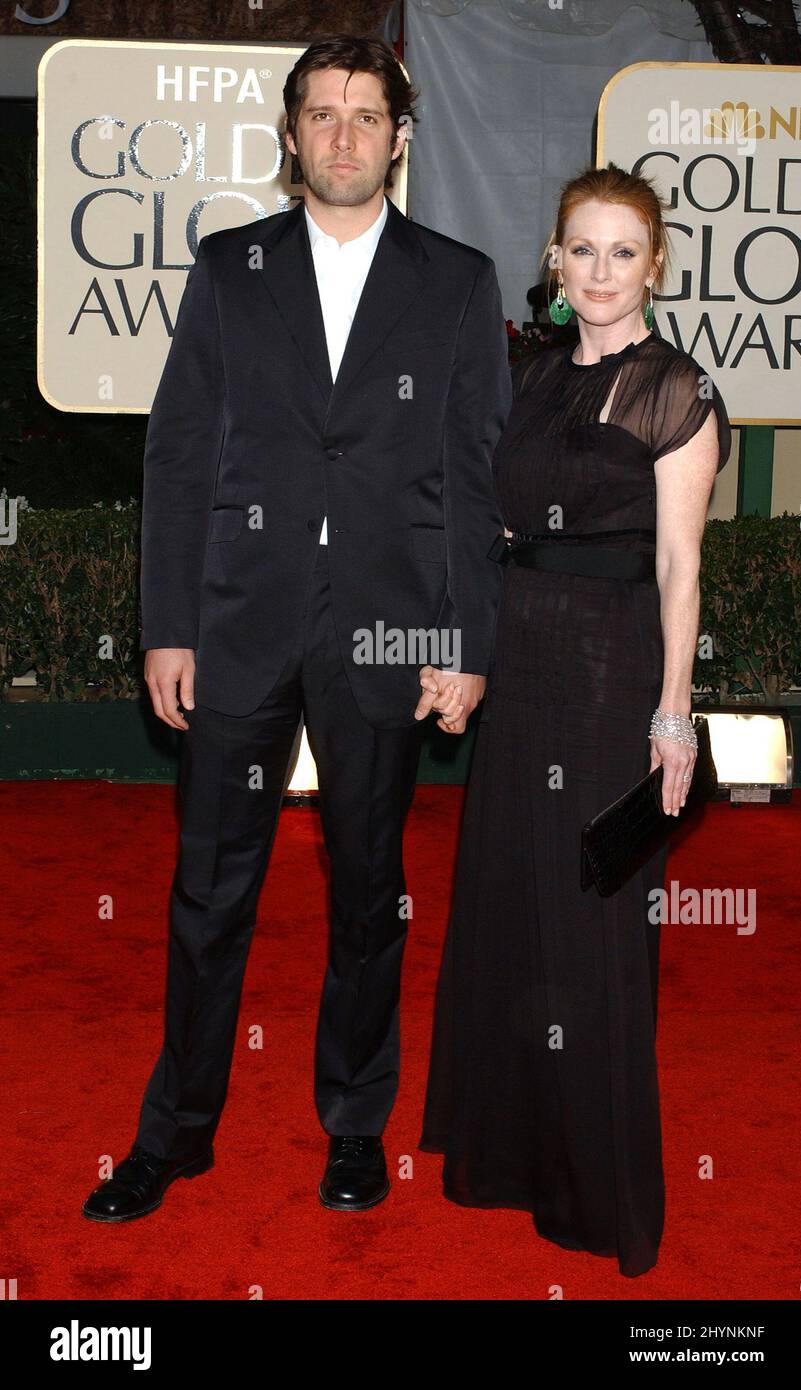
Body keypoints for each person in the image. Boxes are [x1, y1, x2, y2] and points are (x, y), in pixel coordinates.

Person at [83, 34, 511, 1223]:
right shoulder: (232, 267)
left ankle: (355, 1125)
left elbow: (475, 476)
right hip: (239, 618)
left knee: (369, 889)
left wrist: (466, 639)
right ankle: (175, 1133)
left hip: (388, 629)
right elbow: (178, 453)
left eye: (366, 115)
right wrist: (168, 624)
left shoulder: (456, 280)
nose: (342, 134)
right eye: (322, 113)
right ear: (289, 135)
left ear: (398, 138)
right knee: (208, 890)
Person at [418, 163, 732, 1277]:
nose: (600, 272)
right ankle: (508, 1157)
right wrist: (464, 653)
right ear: (556, 260)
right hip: (522, 666)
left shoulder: (677, 392)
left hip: (609, 675)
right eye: (582, 249)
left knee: (593, 917)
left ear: (656, 265)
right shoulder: (532, 377)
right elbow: (488, 530)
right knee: (511, 903)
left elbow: (681, 566)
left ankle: (598, 1193)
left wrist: (673, 716)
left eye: (623, 252)